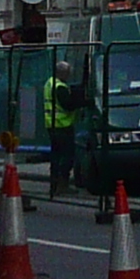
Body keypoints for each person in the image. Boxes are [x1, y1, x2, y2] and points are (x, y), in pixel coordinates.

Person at [42, 59, 84, 198]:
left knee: (55, 156)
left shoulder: (49, 83)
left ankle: (54, 185)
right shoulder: (60, 87)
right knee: (67, 156)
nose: (69, 76)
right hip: (63, 126)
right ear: (63, 73)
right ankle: (62, 184)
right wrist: (81, 101)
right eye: (67, 73)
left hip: (52, 125)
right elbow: (67, 104)